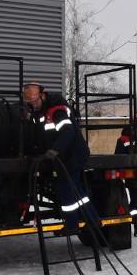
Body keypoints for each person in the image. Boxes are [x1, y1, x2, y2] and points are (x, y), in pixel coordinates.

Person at [22, 82, 97, 235]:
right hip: (65, 156)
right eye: (31, 104)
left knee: (66, 189)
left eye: (35, 102)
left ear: (43, 96)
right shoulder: (43, 110)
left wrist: (55, 149)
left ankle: (73, 225)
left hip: (72, 155)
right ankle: (93, 220)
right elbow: (40, 121)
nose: (34, 106)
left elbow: (67, 132)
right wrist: (29, 116)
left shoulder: (57, 110)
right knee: (74, 189)